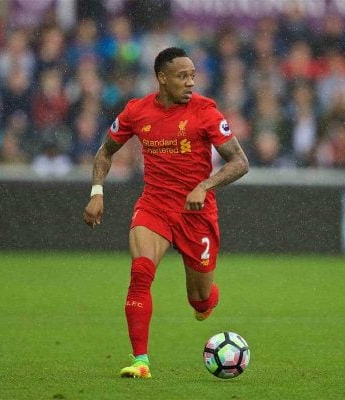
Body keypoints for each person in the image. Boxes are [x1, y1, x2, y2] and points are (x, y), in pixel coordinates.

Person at [82, 47, 249, 378]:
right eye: (182, 76)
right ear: (162, 78)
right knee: (141, 273)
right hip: (154, 206)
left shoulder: (206, 112)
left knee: (200, 301)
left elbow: (240, 162)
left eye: (192, 76)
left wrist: (205, 186)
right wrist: (97, 191)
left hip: (196, 214)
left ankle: (205, 301)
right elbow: (105, 152)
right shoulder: (137, 111)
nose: (190, 83)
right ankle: (140, 361)